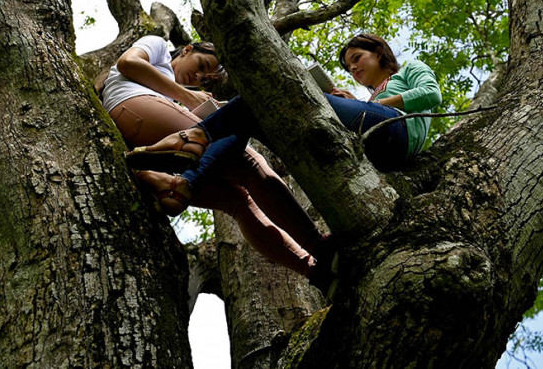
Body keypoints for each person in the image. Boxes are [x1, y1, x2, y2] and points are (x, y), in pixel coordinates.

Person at [127, 33, 442, 214]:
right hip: (374, 151)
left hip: (396, 133)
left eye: (357, 58)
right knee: (253, 113)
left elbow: (431, 94)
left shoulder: (408, 71)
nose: (353, 67)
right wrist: (348, 103)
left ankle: (196, 135)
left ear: (380, 52)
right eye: (348, 65)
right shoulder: (368, 98)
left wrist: (365, 105)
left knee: (277, 88)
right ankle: (184, 186)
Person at [103, 35, 331, 284]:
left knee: (238, 201)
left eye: (205, 79)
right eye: (201, 66)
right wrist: (190, 98)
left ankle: (316, 272)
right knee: (248, 160)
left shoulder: (173, 94)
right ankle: (321, 248)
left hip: (144, 140)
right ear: (187, 50)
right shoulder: (159, 46)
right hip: (132, 104)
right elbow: (128, 62)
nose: (199, 78)